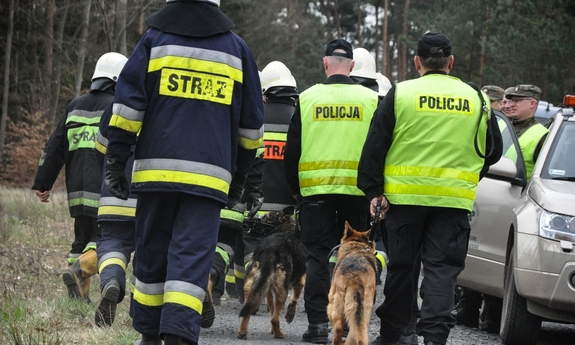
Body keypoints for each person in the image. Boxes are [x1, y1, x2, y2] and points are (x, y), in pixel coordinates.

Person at [102, 1, 265, 345]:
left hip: (154, 175)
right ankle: (178, 335)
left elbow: (129, 105)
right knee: (190, 261)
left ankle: (149, 336)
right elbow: (251, 125)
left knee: (152, 255)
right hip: (208, 181)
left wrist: (117, 159)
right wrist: (241, 178)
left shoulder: (154, 41)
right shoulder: (237, 50)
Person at [358, 32, 502, 345]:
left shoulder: (401, 94)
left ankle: (393, 334)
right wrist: (466, 177)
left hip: (403, 200)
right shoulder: (476, 98)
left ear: (417, 62)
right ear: (450, 62)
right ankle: (435, 337)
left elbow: (374, 147)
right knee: (442, 271)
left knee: (402, 269)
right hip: (453, 202)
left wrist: (373, 191)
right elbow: (492, 151)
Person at [284, 38, 379, 344]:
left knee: (317, 257)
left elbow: (292, 150)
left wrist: (296, 192)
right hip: (358, 192)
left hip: (316, 193)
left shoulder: (308, 98)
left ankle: (317, 327)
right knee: (360, 258)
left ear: (325, 64)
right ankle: (354, 326)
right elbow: (380, 147)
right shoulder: (371, 99)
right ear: (351, 66)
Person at [32, 52, 128, 300]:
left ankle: (78, 298)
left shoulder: (74, 106)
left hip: (76, 194)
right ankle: (78, 270)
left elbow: (53, 148)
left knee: (80, 240)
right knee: (104, 240)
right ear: (118, 80)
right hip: (106, 193)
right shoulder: (117, 108)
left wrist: (42, 183)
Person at [451, 84, 507, 333]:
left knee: (496, 255)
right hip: (478, 194)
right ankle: (468, 308)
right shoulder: (484, 117)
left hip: (505, 198)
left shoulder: (509, 126)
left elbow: (495, 155)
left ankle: (491, 314)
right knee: (472, 251)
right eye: (505, 101)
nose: (506, 105)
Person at [505, 84, 549, 178]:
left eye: (517, 101)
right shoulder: (503, 125)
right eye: (512, 100)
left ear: (532, 104)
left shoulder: (542, 135)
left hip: (519, 190)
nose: (511, 104)